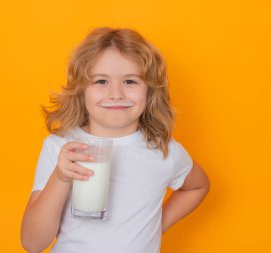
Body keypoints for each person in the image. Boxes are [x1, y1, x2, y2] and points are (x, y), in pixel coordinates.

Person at [21, 27, 210, 253]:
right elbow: (32, 243)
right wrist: (61, 177)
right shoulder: (60, 148)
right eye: (101, 81)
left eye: (130, 81)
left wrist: (156, 227)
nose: (116, 93)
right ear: (82, 91)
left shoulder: (163, 150)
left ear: (150, 91)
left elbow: (197, 186)